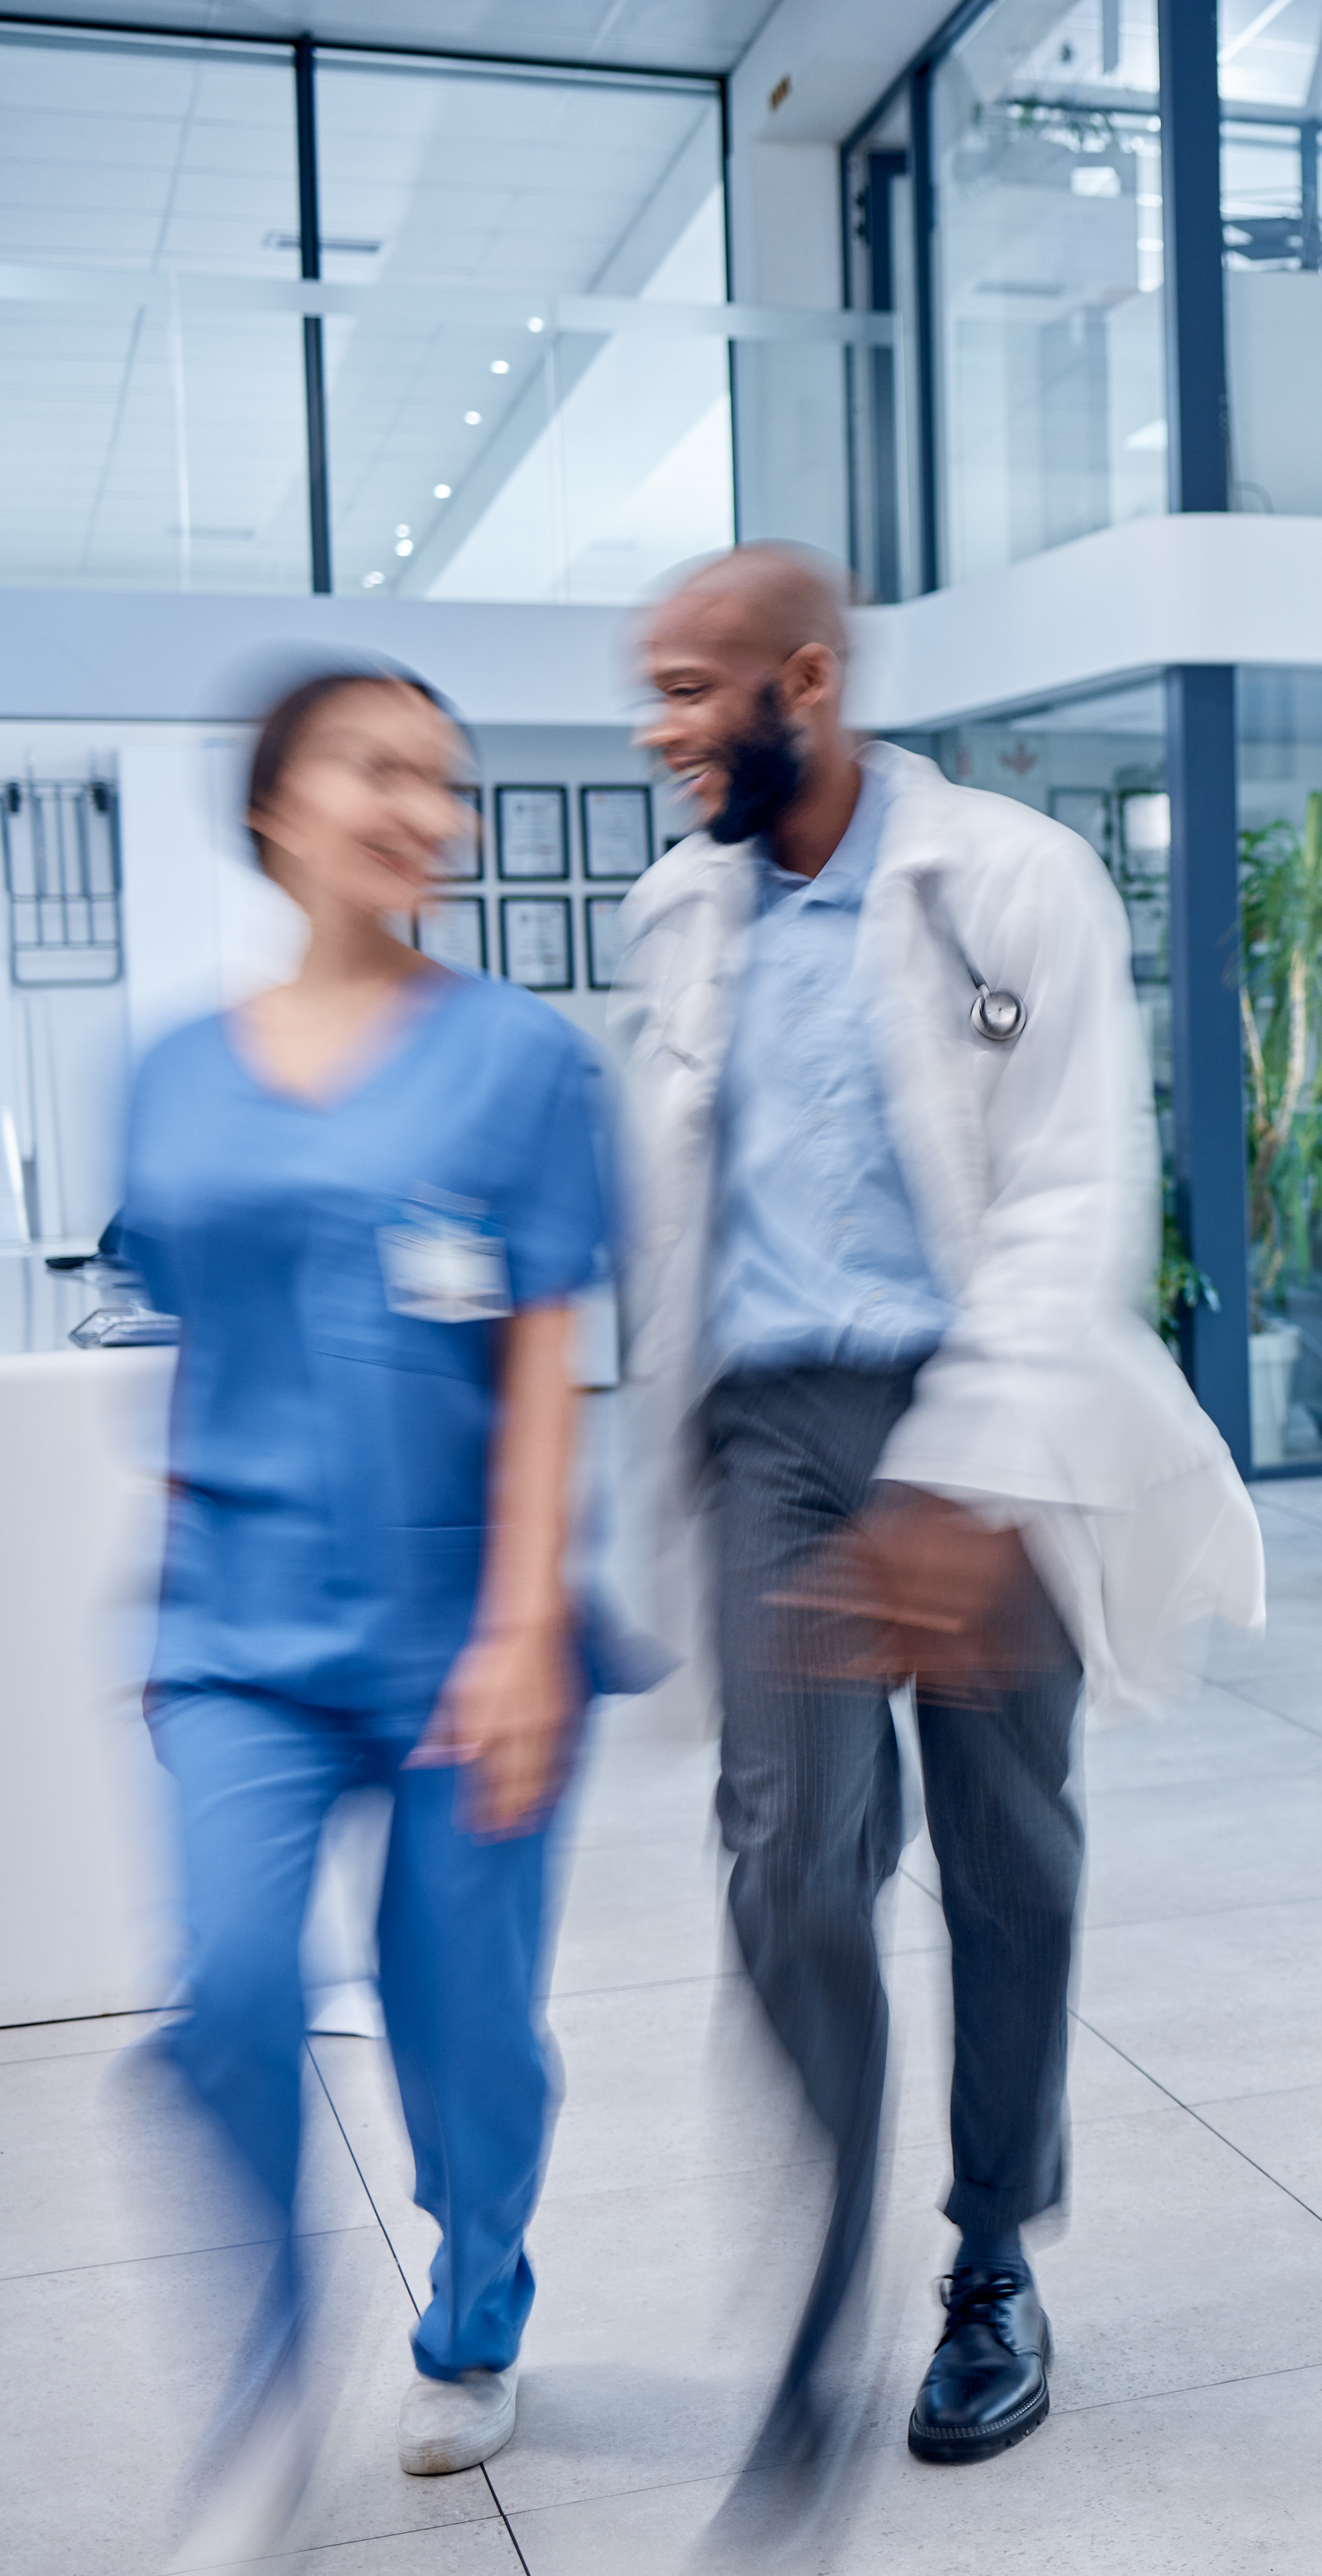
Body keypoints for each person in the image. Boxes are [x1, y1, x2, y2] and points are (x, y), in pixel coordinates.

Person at [613, 546, 1258, 2483]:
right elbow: (672, 1214)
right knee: (789, 1856)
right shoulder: (677, 916)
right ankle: (829, 2261)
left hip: (989, 1402)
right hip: (765, 1435)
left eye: (687, 690)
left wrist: (966, 1468)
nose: (661, 732)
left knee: (1008, 1854)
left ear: (803, 681)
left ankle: (988, 2257)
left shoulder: (1010, 877)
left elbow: (1072, 1190)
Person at [123, 663, 618, 2540]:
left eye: (446, 778)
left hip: (456, 1636)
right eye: (376, 768)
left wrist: (518, 1630)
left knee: (464, 2033)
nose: (423, 805)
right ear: (276, 806)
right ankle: (261, 2375)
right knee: (231, 1994)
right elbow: (199, 1338)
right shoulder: (174, 1067)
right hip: (238, 1631)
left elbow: (550, 1353)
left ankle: (478, 2303)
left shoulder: (519, 1062)